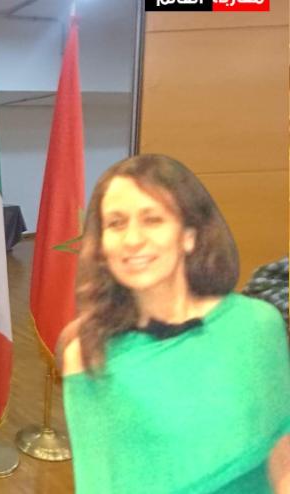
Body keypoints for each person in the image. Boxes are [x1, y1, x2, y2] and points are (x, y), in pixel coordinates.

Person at [59, 154, 290, 493]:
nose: (132, 239)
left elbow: (282, 451)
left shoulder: (257, 325)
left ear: (189, 235)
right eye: (116, 224)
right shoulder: (89, 354)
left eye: (152, 219)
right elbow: (98, 481)